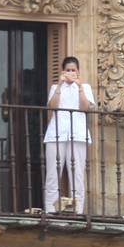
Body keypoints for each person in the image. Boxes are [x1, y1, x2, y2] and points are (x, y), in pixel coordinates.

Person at [43, 56, 94, 214]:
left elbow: (85, 107)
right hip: (56, 133)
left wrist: (79, 87)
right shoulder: (55, 88)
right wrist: (59, 85)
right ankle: (50, 210)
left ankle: (77, 211)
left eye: (73, 70)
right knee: (52, 174)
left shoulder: (85, 87)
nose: (71, 73)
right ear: (63, 71)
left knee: (77, 175)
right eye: (68, 70)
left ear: (78, 72)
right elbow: (52, 107)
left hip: (77, 134)